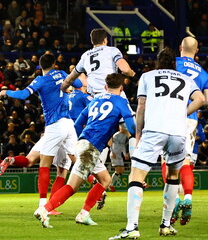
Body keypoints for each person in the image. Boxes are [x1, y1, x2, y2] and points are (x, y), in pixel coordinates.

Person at [110, 49, 205, 240]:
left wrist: (138, 134)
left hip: (155, 129)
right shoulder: (185, 79)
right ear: (174, 64)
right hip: (178, 132)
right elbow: (201, 99)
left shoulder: (147, 76)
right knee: (173, 176)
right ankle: (166, 225)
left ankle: (132, 227)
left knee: (136, 176)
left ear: (158, 62)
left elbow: (141, 107)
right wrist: (182, 114)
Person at [34, 73, 136, 228]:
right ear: (121, 88)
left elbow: (78, 122)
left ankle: (84, 214)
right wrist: (136, 134)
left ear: (105, 87)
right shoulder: (121, 101)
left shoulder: (96, 100)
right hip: (91, 147)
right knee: (72, 186)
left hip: (83, 142)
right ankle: (44, 209)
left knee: (105, 180)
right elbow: (131, 126)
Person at [0, 53, 77, 212]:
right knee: (62, 168)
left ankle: (12, 161)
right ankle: (46, 206)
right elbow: (79, 82)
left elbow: (22, 94)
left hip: (54, 127)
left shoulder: (40, 80)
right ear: (54, 64)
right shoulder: (62, 74)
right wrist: (70, 85)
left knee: (35, 162)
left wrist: (6, 92)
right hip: (66, 125)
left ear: (40, 66)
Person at [168, 37, 208, 226]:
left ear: (180, 47)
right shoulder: (203, 73)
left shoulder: (172, 63)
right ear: (197, 51)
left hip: (170, 113)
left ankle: (175, 200)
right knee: (185, 161)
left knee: (168, 161)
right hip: (190, 118)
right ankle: (188, 197)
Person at [64, 28, 135, 96]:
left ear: (92, 41)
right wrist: (131, 73)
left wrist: (63, 88)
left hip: (96, 97)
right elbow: (125, 70)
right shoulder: (112, 50)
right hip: (113, 92)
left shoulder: (85, 56)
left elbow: (70, 78)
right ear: (105, 40)